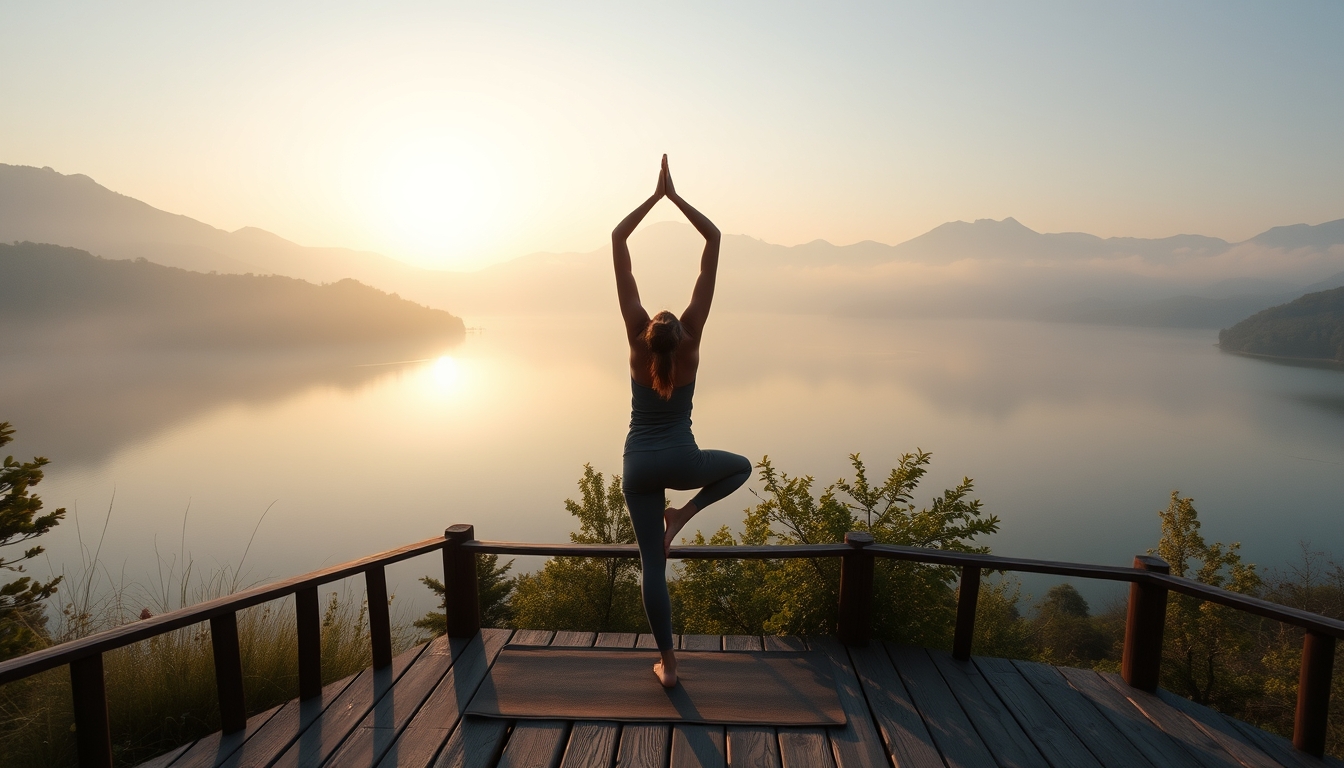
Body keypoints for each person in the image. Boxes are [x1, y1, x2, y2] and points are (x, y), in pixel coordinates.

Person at [613, 155, 752, 688]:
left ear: (649, 332)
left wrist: (651, 200)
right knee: (738, 466)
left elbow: (619, 248)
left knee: (653, 567)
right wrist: (677, 199)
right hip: (681, 459)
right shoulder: (691, 338)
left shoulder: (633, 336)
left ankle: (669, 668)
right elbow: (712, 246)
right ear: (677, 334)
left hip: (636, 466)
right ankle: (684, 516)